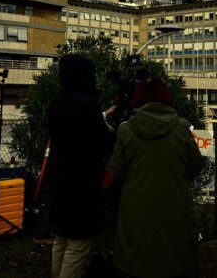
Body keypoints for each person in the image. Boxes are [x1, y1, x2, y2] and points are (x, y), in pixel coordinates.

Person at [107, 78, 202, 278]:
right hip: (176, 218)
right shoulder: (182, 129)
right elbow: (196, 167)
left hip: (135, 220)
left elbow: (115, 171)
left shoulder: (126, 130)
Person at [46, 54, 115, 278]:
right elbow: (103, 141)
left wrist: (102, 114)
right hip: (81, 186)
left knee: (61, 239)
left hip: (58, 181)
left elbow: (73, 127)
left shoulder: (57, 102)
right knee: (78, 244)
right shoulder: (87, 105)